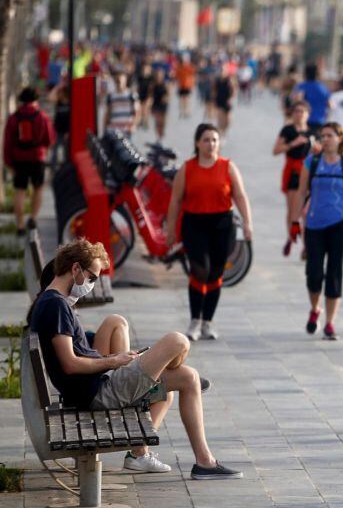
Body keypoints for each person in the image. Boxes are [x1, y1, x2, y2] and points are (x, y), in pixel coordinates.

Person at [28, 239, 242, 479]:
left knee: (188, 377)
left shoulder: (54, 302)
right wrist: (113, 361)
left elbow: (76, 352)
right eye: (92, 277)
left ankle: (205, 463)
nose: (92, 284)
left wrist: (117, 360)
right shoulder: (56, 305)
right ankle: (161, 375)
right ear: (75, 268)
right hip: (97, 392)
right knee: (178, 341)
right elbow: (70, 363)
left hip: (97, 384)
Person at [165, 124, 254, 342]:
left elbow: (240, 196)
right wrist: (170, 230)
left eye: (214, 140)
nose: (211, 144)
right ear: (197, 143)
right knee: (199, 270)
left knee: (215, 273)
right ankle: (195, 319)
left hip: (222, 224)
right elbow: (175, 200)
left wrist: (248, 223)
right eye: (206, 140)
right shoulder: (187, 168)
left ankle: (208, 322)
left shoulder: (228, 167)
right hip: (194, 224)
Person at [291, 123, 343, 341]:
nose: (326, 139)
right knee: (313, 273)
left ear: (340, 139)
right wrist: (294, 222)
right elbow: (301, 192)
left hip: (340, 224)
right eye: (323, 136)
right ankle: (315, 309)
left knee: (334, 272)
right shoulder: (311, 162)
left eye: (330, 135)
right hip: (313, 225)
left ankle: (330, 323)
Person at [3, 87, 55, 235]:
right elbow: (50, 139)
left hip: (19, 159)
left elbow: (8, 142)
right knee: (38, 188)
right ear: (35, 99)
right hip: (37, 157)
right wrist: (42, 149)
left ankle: (20, 226)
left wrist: (8, 162)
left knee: (20, 190)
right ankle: (33, 218)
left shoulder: (14, 118)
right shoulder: (42, 116)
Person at [273, 101, 316, 255]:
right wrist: (293, 143)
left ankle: (306, 245)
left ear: (308, 114)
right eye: (297, 111)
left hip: (308, 172)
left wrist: (317, 149)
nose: (299, 114)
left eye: (303, 111)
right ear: (292, 114)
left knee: (306, 211)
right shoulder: (288, 130)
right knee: (293, 211)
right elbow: (276, 150)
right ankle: (292, 237)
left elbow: (319, 152)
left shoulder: (312, 132)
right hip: (292, 172)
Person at [295, 64, 331, 132]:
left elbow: (297, 100)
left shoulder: (302, 86)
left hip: (304, 120)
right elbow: (329, 104)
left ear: (305, 73)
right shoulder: (323, 88)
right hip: (320, 121)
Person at [212, 69, 237, 138]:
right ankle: (220, 134)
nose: (222, 72)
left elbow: (234, 90)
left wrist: (230, 98)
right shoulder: (217, 80)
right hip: (219, 101)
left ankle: (225, 131)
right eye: (221, 71)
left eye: (223, 71)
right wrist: (214, 101)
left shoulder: (229, 80)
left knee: (228, 121)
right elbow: (214, 91)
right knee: (220, 119)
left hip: (227, 101)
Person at [150, 68, 170, 142]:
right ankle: (158, 136)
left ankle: (161, 133)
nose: (159, 76)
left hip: (163, 105)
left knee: (163, 122)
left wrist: (166, 98)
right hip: (156, 105)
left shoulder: (165, 84)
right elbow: (150, 95)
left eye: (160, 75)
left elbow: (169, 94)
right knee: (157, 122)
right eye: (157, 75)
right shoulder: (153, 85)